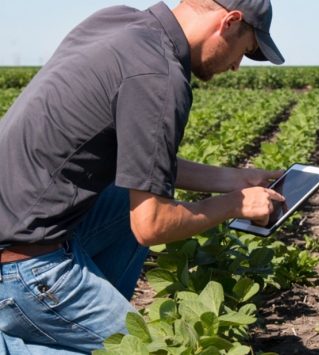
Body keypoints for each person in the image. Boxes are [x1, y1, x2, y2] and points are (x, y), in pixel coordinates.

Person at [0, 0, 286, 353]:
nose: (236, 67)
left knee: (125, 197)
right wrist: (234, 205)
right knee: (153, 349)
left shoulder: (116, 22)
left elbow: (143, 165)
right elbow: (152, 226)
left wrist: (235, 180)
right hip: (25, 267)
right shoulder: (160, 76)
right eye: (244, 51)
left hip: (20, 233)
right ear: (229, 22)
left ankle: (81, 325)